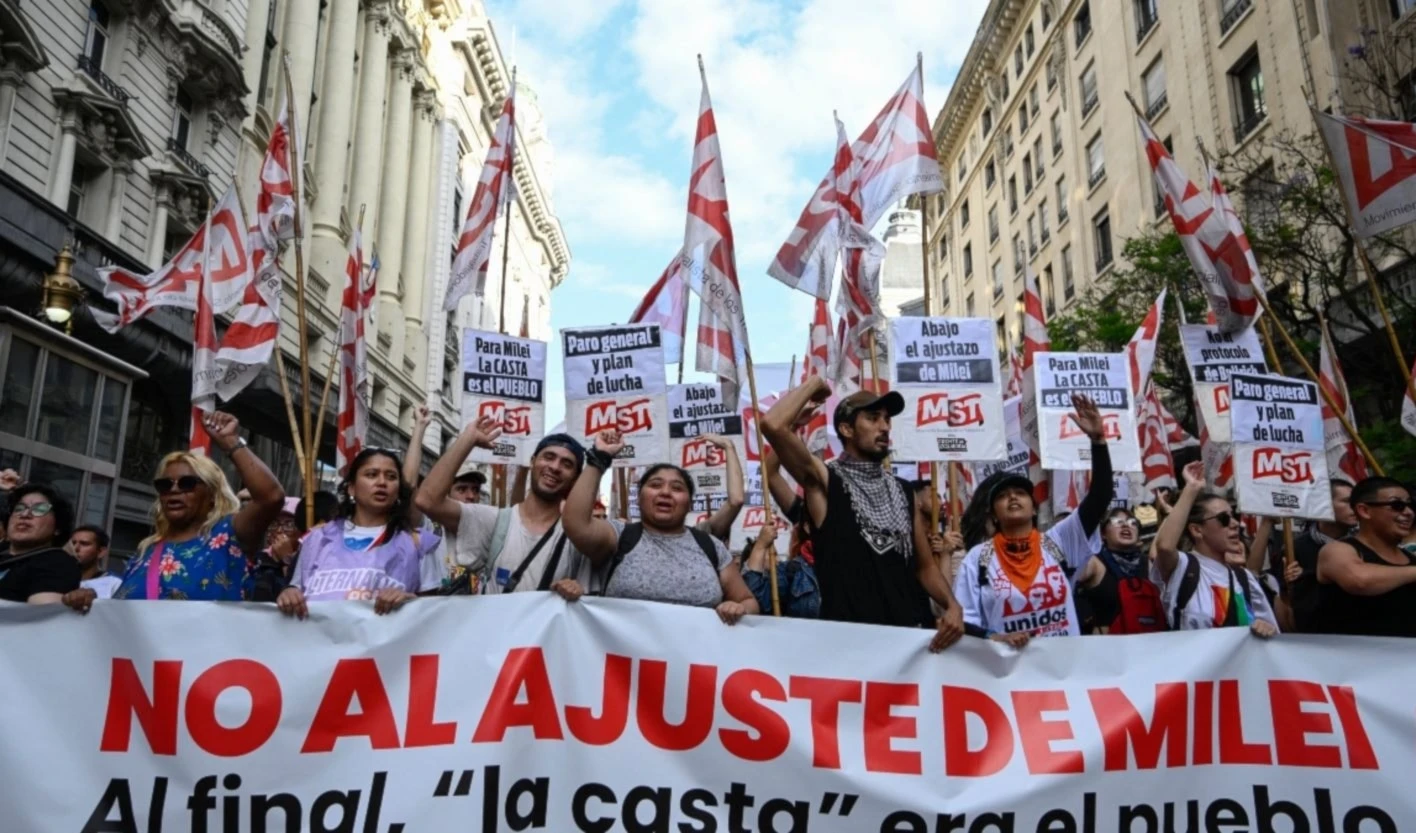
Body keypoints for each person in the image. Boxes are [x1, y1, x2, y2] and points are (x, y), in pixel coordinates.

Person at [760, 379, 966, 649]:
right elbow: (773, 425)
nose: (884, 427)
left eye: (886, 420)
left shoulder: (903, 491)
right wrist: (814, 384)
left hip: (907, 643)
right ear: (846, 429)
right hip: (852, 648)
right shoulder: (826, 480)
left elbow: (924, 566)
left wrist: (952, 606)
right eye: (872, 418)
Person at [68, 413, 284, 610]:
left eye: (187, 483)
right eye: (165, 485)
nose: (174, 490)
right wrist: (92, 601)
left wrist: (230, 442)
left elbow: (271, 497)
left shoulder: (230, 535)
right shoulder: (147, 551)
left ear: (211, 493)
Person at [952, 394, 1114, 643]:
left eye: (1020, 493)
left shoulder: (1059, 542)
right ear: (993, 514)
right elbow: (963, 620)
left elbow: (1099, 498)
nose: (1013, 498)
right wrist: (995, 637)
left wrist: (1098, 441)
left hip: (1063, 669)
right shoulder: (977, 560)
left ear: (1034, 508)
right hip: (1010, 673)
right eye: (1003, 496)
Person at [561, 430, 760, 624]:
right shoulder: (620, 536)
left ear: (689, 503)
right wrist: (599, 458)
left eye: (677, 488)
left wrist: (739, 608)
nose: (665, 492)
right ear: (639, 498)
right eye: (655, 485)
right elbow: (576, 523)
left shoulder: (710, 546)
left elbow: (748, 601)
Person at [416, 418, 595, 596]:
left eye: (567, 464)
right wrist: (468, 439)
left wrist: (576, 592)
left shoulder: (578, 537)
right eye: (549, 457)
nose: (555, 467)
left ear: (576, 478)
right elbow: (427, 500)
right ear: (532, 461)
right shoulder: (495, 521)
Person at [277, 446, 442, 618]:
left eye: (391, 477)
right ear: (351, 488)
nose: (382, 482)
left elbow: (432, 613)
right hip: (319, 642)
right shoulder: (318, 538)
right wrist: (288, 593)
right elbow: (296, 588)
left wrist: (410, 601)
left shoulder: (417, 543)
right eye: (371, 474)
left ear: (399, 489)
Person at [1152, 462, 1278, 636]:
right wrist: (1192, 488)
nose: (1234, 524)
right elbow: (1165, 546)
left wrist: (1265, 629)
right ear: (1197, 530)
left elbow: (1273, 634)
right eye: (1223, 519)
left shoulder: (1244, 578)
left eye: (1233, 516)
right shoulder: (1183, 568)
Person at [1308, 476, 1416, 637]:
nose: (1408, 512)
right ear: (1364, 510)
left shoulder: (1411, 559)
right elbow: (1359, 580)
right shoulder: (1337, 550)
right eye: (1397, 505)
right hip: (1352, 659)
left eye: (1410, 505)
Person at [1076, 506, 1166, 634]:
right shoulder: (1094, 563)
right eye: (1117, 522)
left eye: (1132, 523)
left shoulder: (1149, 564)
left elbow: (1165, 547)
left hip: (1149, 646)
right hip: (1109, 649)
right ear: (1103, 534)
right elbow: (1066, 578)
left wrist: (1168, 514)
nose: (1126, 526)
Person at [1, 483, 80, 604]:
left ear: (58, 527)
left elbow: (40, 617)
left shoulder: (57, 563)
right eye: (19, 508)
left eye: (40, 509)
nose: (25, 515)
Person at [69, 524, 121, 599]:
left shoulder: (114, 584)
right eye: (73, 543)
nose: (75, 548)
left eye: (84, 544)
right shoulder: (56, 579)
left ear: (101, 552)